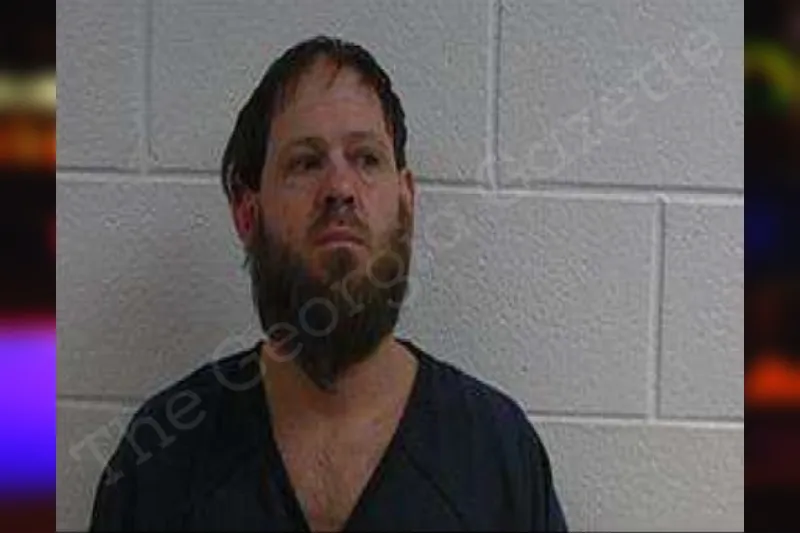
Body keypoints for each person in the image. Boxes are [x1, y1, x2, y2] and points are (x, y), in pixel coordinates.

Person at [89, 35, 567, 532]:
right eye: (305, 162)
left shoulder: (497, 457)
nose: (340, 188)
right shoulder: (159, 459)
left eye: (367, 159)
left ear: (406, 201)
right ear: (248, 212)